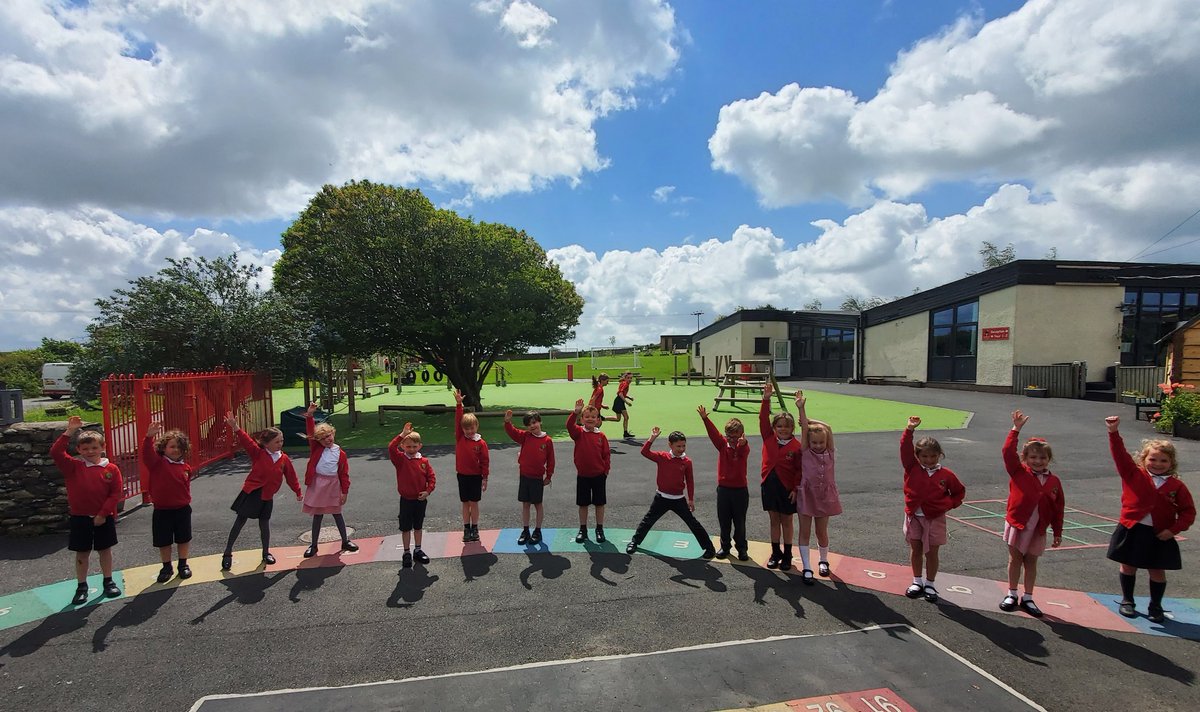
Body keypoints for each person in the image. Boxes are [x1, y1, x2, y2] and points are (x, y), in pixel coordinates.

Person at [1105, 415, 1195, 623]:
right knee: (1128, 566)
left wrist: (1173, 530)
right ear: (1143, 459)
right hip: (1132, 529)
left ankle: (1155, 606)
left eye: (1164, 460)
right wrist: (1113, 432)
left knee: (1157, 570)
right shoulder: (1133, 475)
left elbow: (1188, 512)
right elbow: (1119, 455)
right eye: (1152, 459)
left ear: (1171, 462)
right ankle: (1128, 600)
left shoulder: (1176, 486)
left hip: (1159, 535)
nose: (1157, 464)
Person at [51, 416, 123, 605]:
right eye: (85, 449)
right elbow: (56, 452)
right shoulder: (73, 467)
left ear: (103, 447)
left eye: (94, 448)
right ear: (78, 450)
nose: (90, 452)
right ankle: (81, 586)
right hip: (80, 517)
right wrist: (69, 432)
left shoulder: (111, 468)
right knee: (82, 553)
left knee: (105, 550)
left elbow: (115, 493)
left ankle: (108, 581)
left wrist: (102, 514)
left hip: (103, 517)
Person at [999, 410, 1065, 617]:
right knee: (1015, 559)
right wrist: (1015, 429)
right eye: (1033, 457)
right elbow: (1007, 452)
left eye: (1042, 458)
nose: (1038, 461)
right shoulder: (1019, 473)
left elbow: (1058, 508)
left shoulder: (1054, 482)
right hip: (1018, 525)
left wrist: (1057, 532)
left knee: (1031, 562)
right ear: (1025, 458)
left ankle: (1028, 596)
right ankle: (1011, 593)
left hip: (1038, 529)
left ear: (1049, 459)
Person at [221, 414, 302, 571]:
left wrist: (297, 491)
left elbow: (291, 477)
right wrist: (236, 427)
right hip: (252, 493)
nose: (280, 444)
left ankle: (266, 553)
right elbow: (247, 441)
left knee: (264, 524)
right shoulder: (258, 453)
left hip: (267, 496)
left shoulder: (283, 458)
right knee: (240, 522)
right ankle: (227, 553)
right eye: (276, 441)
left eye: (281, 441)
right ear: (266, 443)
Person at [900, 415, 966, 603]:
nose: (929, 460)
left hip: (935, 518)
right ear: (918, 456)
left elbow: (959, 492)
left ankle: (930, 583)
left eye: (933, 456)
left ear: (939, 455)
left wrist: (948, 505)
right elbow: (905, 450)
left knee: (932, 552)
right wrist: (909, 430)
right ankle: (916, 581)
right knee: (916, 549)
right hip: (914, 516)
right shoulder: (912, 468)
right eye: (924, 456)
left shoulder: (946, 475)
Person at [626, 428, 717, 558]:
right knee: (647, 521)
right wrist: (652, 438)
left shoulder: (687, 462)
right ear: (670, 445)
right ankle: (634, 542)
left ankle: (709, 548)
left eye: (683, 446)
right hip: (661, 498)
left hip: (678, 499)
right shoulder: (662, 457)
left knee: (693, 523)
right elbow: (644, 452)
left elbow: (690, 481)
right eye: (678, 446)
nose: (681, 449)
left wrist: (690, 499)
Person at [794, 391, 842, 585]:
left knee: (821, 531)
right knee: (804, 530)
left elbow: (828, 428)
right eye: (814, 442)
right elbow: (805, 429)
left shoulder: (829, 452)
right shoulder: (806, 451)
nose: (818, 445)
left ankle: (823, 560)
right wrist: (801, 409)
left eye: (821, 442)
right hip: (807, 494)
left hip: (824, 496)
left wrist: (812, 420)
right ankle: (807, 566)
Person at [301, 402, 357, 557]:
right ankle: (314, 545)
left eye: (329, 436)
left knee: (337, 513)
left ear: (333, 434)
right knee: (318, 515)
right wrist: (310, 415)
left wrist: (344, 492)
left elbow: (344, 474)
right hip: (318, 484)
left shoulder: (340, 453)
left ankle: (345, 540)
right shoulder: (316, 448)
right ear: (318, 440)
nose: (327, 439)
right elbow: (310, 433)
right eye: (323, 438)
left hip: (333, 484)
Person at [143, 422, 195, 583]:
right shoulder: (157, 463)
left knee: (183, 538)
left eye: (179, 447)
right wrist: (149, 437)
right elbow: (146, 454)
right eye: (172, 446)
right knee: (164, 540)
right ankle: (166, 566)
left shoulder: (185, 467)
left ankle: (183, 564)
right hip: (162, 510)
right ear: (164, 448)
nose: (176, 450)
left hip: (182, 509)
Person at [698, 405, 750, 560]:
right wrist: (705, 419)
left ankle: (741, 548)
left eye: (735, 436)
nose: (732, 439)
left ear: (742, 435)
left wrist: (742, 444)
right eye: (729, 436)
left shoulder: (744, 448)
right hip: (724, 490)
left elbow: (742, 451)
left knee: (740, 522)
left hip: (740, 490)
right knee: (724, 520)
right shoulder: (722, 445)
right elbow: (714, 434)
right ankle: (725, 546)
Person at [759, 382, 801, 571]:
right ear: (774, 427)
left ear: (792, 428)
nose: (783, 429)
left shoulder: (797, 446)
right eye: (780, 426)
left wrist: (795, 488)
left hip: (787, 489)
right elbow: (762, 419)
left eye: (787, 426)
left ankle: (787, 555)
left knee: (787, 521)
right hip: (769, 485)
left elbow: (800, 470)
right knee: (774, 520)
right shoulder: (768, 437)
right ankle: (775, 552)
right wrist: (766, 399)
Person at [504, 409, 555, 546]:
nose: (532, 426)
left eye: (534, 422)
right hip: (524, 476)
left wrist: (549, 475)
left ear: (540, 422)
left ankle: (537, 531)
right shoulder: (525, 436)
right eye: (529, 424)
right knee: (525, 504)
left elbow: (551, 460)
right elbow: (513, 432)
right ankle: (525, 530)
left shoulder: (547, 441)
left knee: (538, 504)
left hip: (537, 478)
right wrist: (508, 422)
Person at [389, 423, 436, 569]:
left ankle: (417, 549)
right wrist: (402, 434)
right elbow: (391, 447)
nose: (411, 449)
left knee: (418, 526)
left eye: (414, 447)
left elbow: (432, 478)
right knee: (405, 528)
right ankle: (406, 552)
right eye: (408, 447)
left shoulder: (424, 462)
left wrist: (428, 490)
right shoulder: (400, 460)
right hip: (406, 500)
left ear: (420, 446)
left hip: (420, 500)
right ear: (403, 446)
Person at [567, 398, 611, 543]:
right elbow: (569, 426)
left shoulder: (601, 436)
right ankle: (583, 529)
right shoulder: (579, 433)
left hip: (599, 475)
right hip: (583, 476)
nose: (590, 419)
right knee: (583, 504)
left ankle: (599, 528)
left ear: (598, 420)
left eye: (593, 417)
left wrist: (605, 472)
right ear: (582, 419)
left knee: (599, 503)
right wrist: (575, 412)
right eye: (587, 417)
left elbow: (606, 455)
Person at [454, 390, 490, 543]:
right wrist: (459, 404)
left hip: (475, 476)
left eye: (472, 428)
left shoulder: (481, 443)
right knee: (465, 503)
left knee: (474, 503)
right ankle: (466, 527)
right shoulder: (460, 438)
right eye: (466, 429)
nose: (469, 431)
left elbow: (485, 461)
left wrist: (485, 478)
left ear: (476, 426)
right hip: (462, 475)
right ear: (462, 430)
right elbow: (457, 420)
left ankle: (474, 527)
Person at [613, 372, 635, 438]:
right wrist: (627, 402)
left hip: (619, 401)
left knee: (618, 419)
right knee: (626, 417)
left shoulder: (623, 383)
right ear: (625, 378)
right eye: (628, 378)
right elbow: (620, 394)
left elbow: (622, 393)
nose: (630, 379)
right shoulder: (625, 384)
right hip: (619, 401)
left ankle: (603, 418)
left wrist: (629, 397)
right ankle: (625, 433)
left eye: (631, 378)